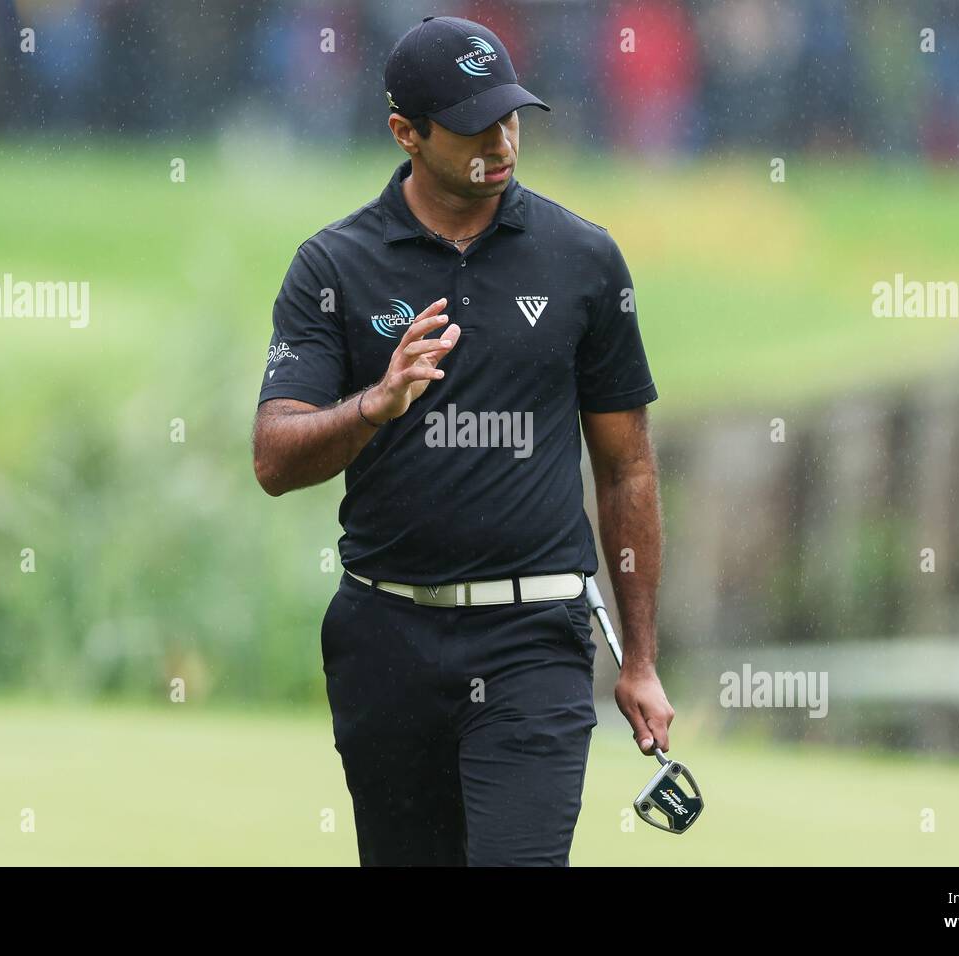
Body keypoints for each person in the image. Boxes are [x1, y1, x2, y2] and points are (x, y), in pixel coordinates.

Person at [252, 15, 673, 866]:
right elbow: (274, 456)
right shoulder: (333, 266)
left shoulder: (585, 259)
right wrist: (378, 402)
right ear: (407, 133)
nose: (503, 139)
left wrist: (642, 661)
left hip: (535, 641)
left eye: (511, 115)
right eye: (475, 125)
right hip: (384, 639)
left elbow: (626, 467)